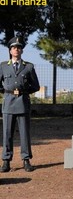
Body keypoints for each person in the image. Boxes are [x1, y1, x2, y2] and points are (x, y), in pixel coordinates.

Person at [0, 37, 40, 172]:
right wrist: (7, 91)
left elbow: (36, 86)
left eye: (18, 47)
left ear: (21, 50)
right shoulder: (3, 66)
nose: (16, 50)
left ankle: (26, 160)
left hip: (23, 102)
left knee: (24, 133)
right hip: (8, 103)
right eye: (14, 47)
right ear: (10, 51)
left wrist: (23, 91)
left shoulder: (29, 67)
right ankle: (6, 161)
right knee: (7, 133)